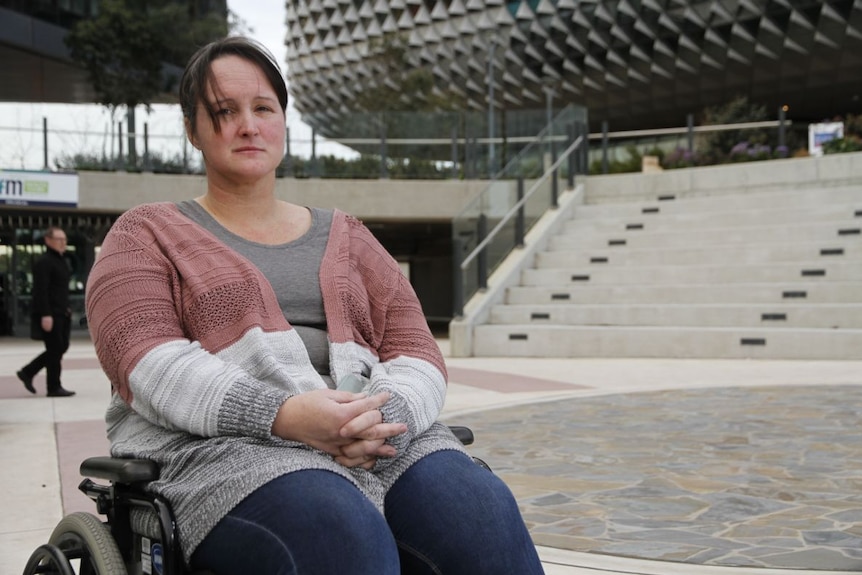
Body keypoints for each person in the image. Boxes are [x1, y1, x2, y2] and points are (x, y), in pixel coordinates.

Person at [85, 36, 545, 574]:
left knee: (480, 513)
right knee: (338, 533)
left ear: (283, 120)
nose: (248, 125)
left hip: (374, 439)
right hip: (224, 452)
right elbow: (144, 359)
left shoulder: (348, 236)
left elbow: (415, 347)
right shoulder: (147, 233)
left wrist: (381, 419)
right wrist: (283, 417)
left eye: (263, 108)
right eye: (224, 111)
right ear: (193, 129)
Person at [17, 226, 75, 397]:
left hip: (61, 312)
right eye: (59, 239)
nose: (63, 243)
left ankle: (28, 372)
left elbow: (59, 289)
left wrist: (66, 307)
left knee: (60, 347)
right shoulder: (44, 262)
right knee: (55, 349)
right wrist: (46, 314)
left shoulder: (61, 260)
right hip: (50, 314)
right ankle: (53, 387)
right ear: (48, 241)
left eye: (64, 239)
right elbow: (40, 291)